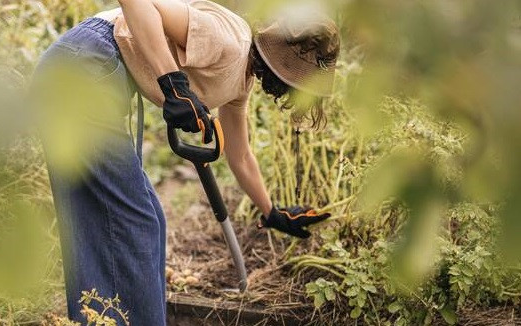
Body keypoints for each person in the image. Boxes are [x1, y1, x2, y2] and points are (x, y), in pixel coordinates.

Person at [32, 0, 339, 324]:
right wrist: (173, 83)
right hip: (85, 66)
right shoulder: (227, 39)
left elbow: (241, 154)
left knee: (124, 221)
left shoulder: (241, 79)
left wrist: (272, 212)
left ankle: (96, 318)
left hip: (87, 75)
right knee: (136, 225)